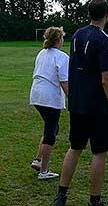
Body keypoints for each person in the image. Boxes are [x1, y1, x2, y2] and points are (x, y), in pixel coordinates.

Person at [53, 0, 108, 206]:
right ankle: (94, 201)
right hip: (97, 107)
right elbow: (107, 79)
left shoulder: (77, 34)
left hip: (77, 104)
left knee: (75, 147)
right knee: (99, 152)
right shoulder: (104, 40)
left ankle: (61, 196)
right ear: (107, 14)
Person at [29, 27, 69, 180]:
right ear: (59, 40)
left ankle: (38, 160)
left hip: (37, 94)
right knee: (50, 133)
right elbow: (64, 81)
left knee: (51, 127)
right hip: (49, 97)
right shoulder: (62, 56)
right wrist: (73, 99)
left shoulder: (42, 53)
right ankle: (44, 171)